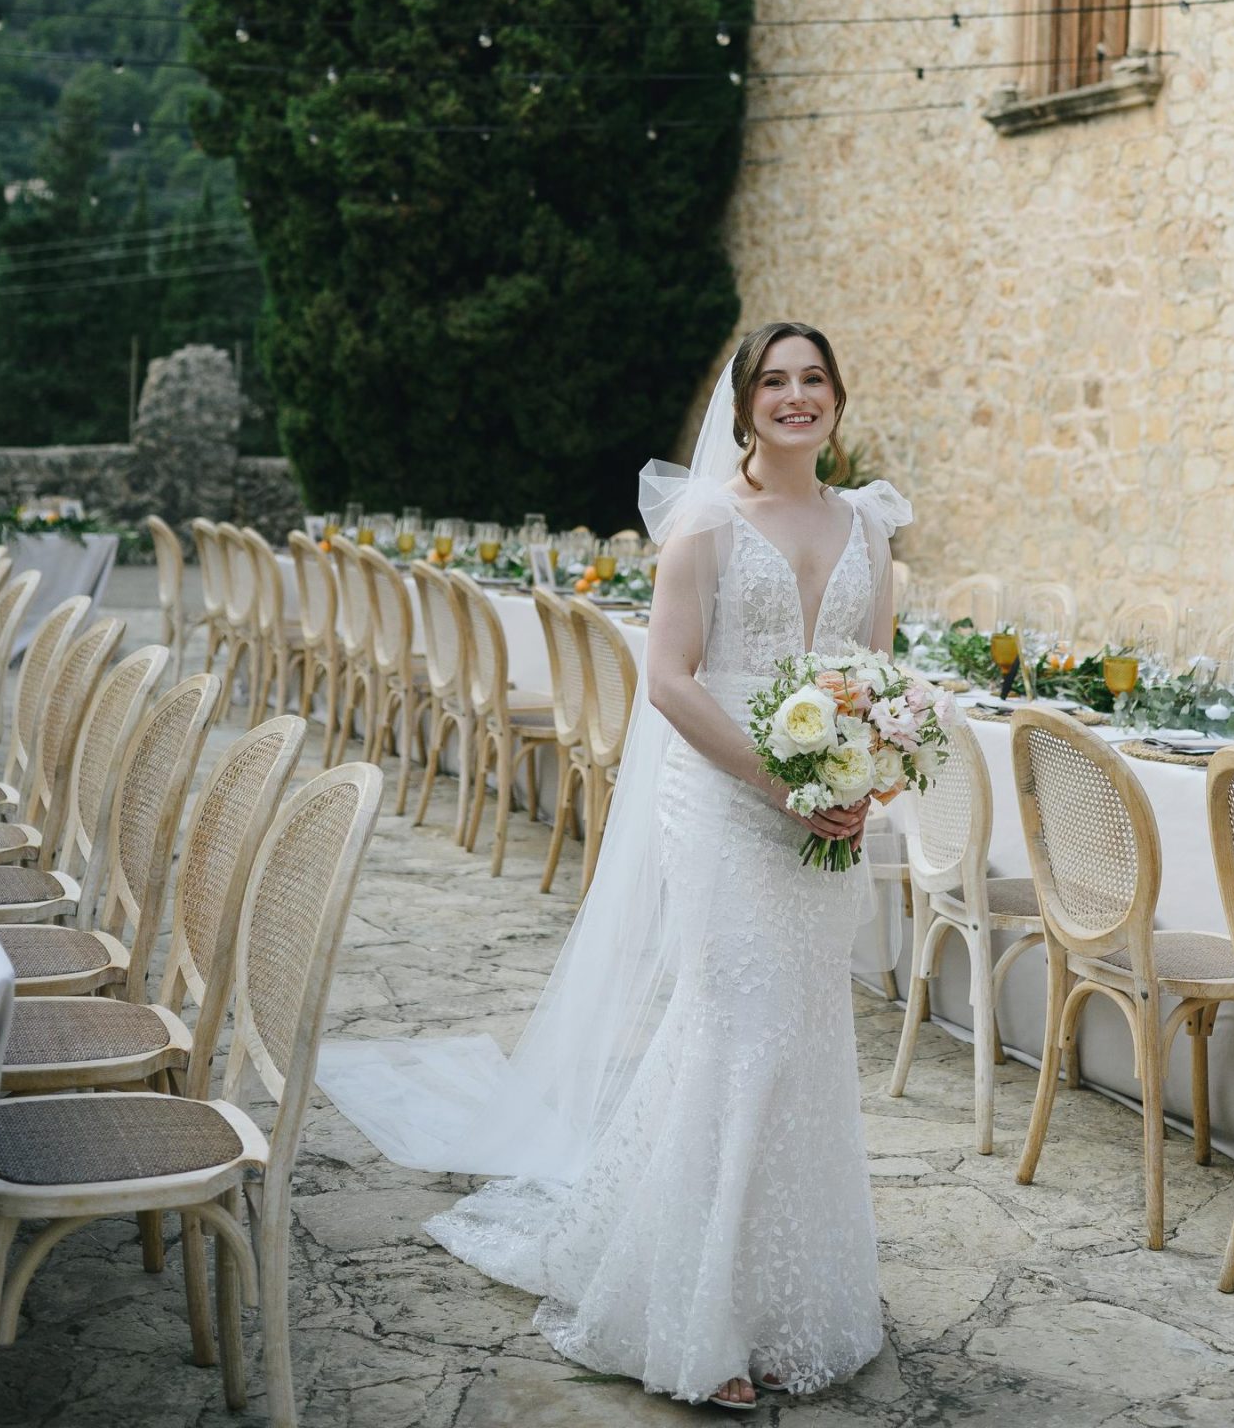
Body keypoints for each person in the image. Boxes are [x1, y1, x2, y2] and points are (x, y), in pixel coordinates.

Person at [316, 320, 912, 1410]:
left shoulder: (868, 526)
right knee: (738, 1027)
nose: (794, 397)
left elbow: (871, 671)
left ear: (837, 398)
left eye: (813, 379)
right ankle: (697, 1319)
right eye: (772, 382)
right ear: (741, 409)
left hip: (822, 807)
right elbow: (672, 681)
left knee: (804, 1036)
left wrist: (863, 777)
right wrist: (781, 786)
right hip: (724, 803)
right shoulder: (707, 529)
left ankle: (789, 1299)